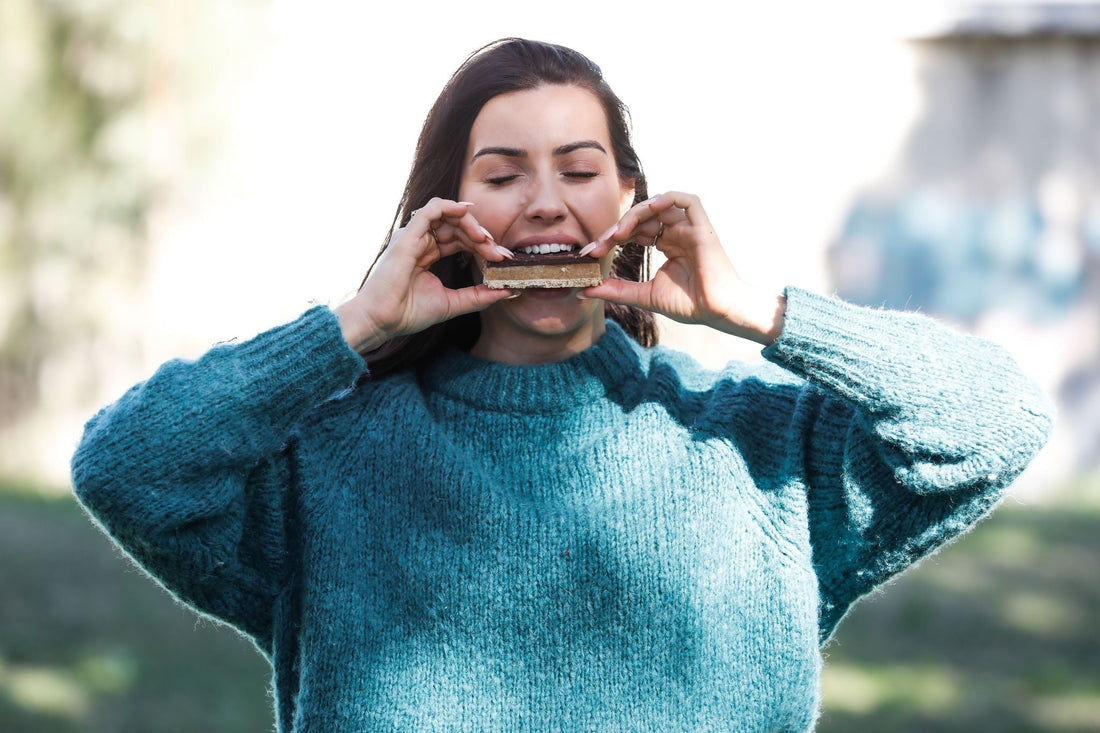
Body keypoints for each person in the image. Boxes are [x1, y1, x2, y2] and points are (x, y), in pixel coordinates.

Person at [71, 38, 1052, 732]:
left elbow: (996, 417)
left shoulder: (755, 452)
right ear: (444, 216)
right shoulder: (329, 463)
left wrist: (758, 312)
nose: (545, 201)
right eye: (502, 176)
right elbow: (126, 467)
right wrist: (353, 326)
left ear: (631, 201)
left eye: (579, 171)